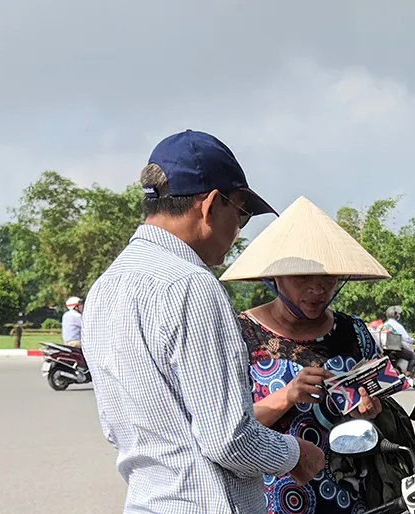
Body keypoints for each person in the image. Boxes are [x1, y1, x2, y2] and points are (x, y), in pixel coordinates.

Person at [81, 130, 324, 514]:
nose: (239, 230)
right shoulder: (191, 285)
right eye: (241, 212)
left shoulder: (106, 287)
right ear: (211, 205)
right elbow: (229, 440)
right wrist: (296, 454)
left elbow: (114, 427)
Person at [221, 196, 415, 513]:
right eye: (302, 278)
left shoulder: (354, 333)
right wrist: (288, 395)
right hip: (268, 500)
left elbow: (372, 411)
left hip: (349, 498)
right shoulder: (240, 335)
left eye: (328, 279)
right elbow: (225, 430)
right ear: (274, 278)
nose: (318, 291)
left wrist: (368, 411)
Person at [381, 305, 415, 374]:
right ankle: (408, 374)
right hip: (395, 349)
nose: (399, 315)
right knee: (414, 356)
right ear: (395, 314)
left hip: (385, 349)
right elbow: (406, 338)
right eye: (397, 313)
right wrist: (413, 340)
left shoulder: (385, 324)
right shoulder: (397, 325)